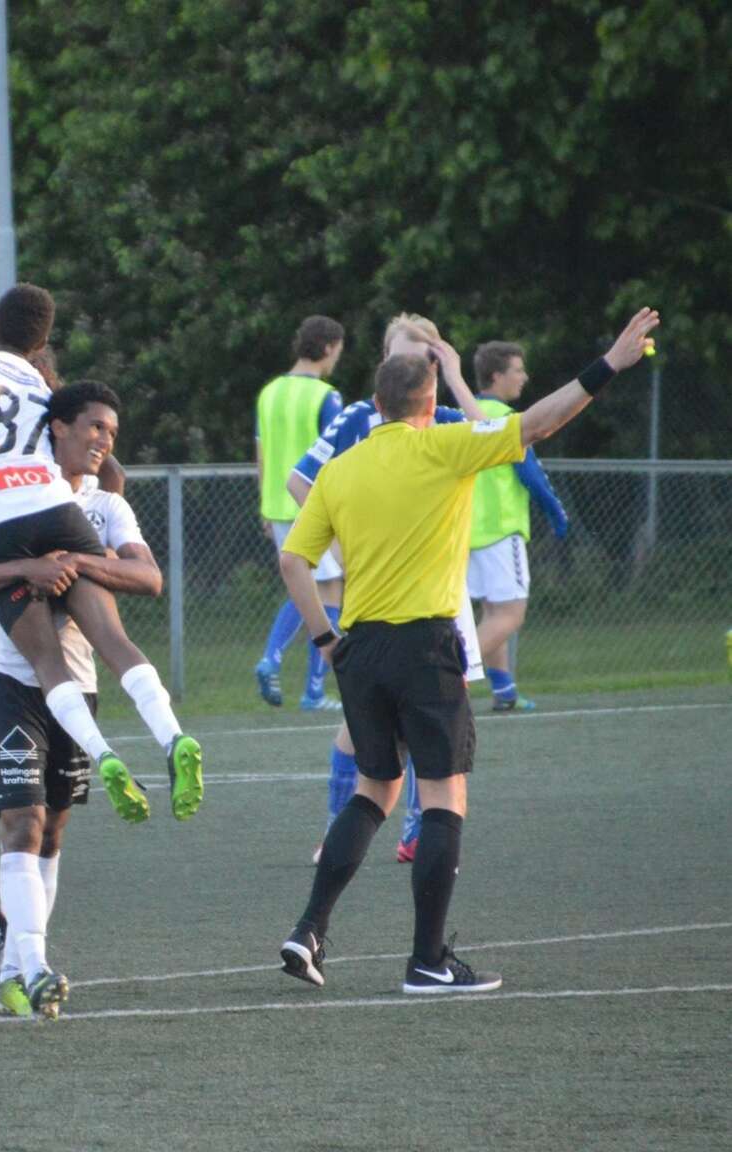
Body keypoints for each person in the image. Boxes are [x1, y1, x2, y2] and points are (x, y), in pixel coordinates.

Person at [277, 307, 659, 995]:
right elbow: (538, 423)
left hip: (361, 648)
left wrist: (326, 639)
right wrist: (611, 362)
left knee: (372, 791)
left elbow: (292, 562)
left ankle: (307, 930)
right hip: (424, 647)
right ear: (429, 406)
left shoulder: (339, 472)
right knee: (444, 797)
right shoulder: (444, 448)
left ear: (376, 405)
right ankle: (427, 962)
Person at [0, 380, 192, 1018]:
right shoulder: (3, 491)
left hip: (79, 687)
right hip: (9, 679)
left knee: (52, 831)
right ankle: (31, 966)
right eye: (95, 427)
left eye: (112, 432)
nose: (104, 440)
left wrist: (81, 562)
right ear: (55, 427)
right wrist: (28, 569)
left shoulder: (105, 507)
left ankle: (15, 955)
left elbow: (147, 575)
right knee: (21, 824)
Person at [0, 283, 202, 828]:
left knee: (48, 662)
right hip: (57, 509)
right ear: (41, 343)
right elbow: (109, 470)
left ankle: (105, 755)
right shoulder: (41, 383)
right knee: (114, 641)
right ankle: (172, 737)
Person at [287, 313, 489, 864]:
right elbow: (299, 480)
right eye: (405, 354)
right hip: (379, 597)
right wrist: (340, 544)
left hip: (435, 595)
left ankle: (419, 827)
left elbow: (492, 436)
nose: (416, 365)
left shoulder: (443, 419)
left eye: (428, 357)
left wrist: (453, 379)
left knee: (439, 715)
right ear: (384, 362)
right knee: (359, 727)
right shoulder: (357, 416)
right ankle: (339, 828)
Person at [467, 341, 570, 712]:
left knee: (492, 613)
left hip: (465, 531)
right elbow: (530, 473)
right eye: (517, 370)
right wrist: (556, 512)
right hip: (500, 528)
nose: (524, 377)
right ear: (497, 376)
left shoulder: (463, 414)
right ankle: (448, 677)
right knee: (510, 615)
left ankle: (504, 689)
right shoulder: (509, 420)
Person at [254, 316, 346, 711]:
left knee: (310, 584)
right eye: (338, 350)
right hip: (311, 502)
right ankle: (298, 679)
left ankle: (303, 682)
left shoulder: (269, 392)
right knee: (325, 589)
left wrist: (264, 502)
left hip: (277, 503)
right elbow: (335, 457)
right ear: (327, 348)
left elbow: (261, 451)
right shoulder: (327, 396)